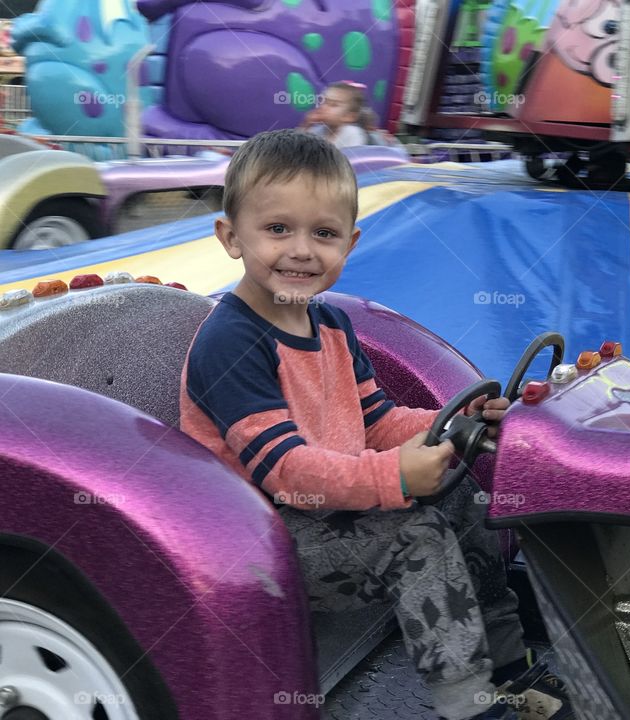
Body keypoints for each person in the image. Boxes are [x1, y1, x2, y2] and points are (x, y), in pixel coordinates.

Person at [179, 129, 571, 720]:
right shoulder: (230, 342)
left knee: (467, 499)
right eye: (278, 229)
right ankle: (467, 703)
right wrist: (395, 478)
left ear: (351, 243)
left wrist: (458, 418)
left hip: (332, 511)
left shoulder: (331, 325)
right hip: (259, 539)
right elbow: (286, 473)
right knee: (416, 537)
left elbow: (377, 421)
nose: (302, 251)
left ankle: (509, 666)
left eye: (325, 234)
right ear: (231, 237)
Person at [298, 81, 369, 149]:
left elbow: (350, 160)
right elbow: (295, 149)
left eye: (333, 105)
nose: (323, 107)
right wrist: (306, 125)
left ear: (349, 116)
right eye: (324, 102)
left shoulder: (353, 134)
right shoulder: (317, 130)